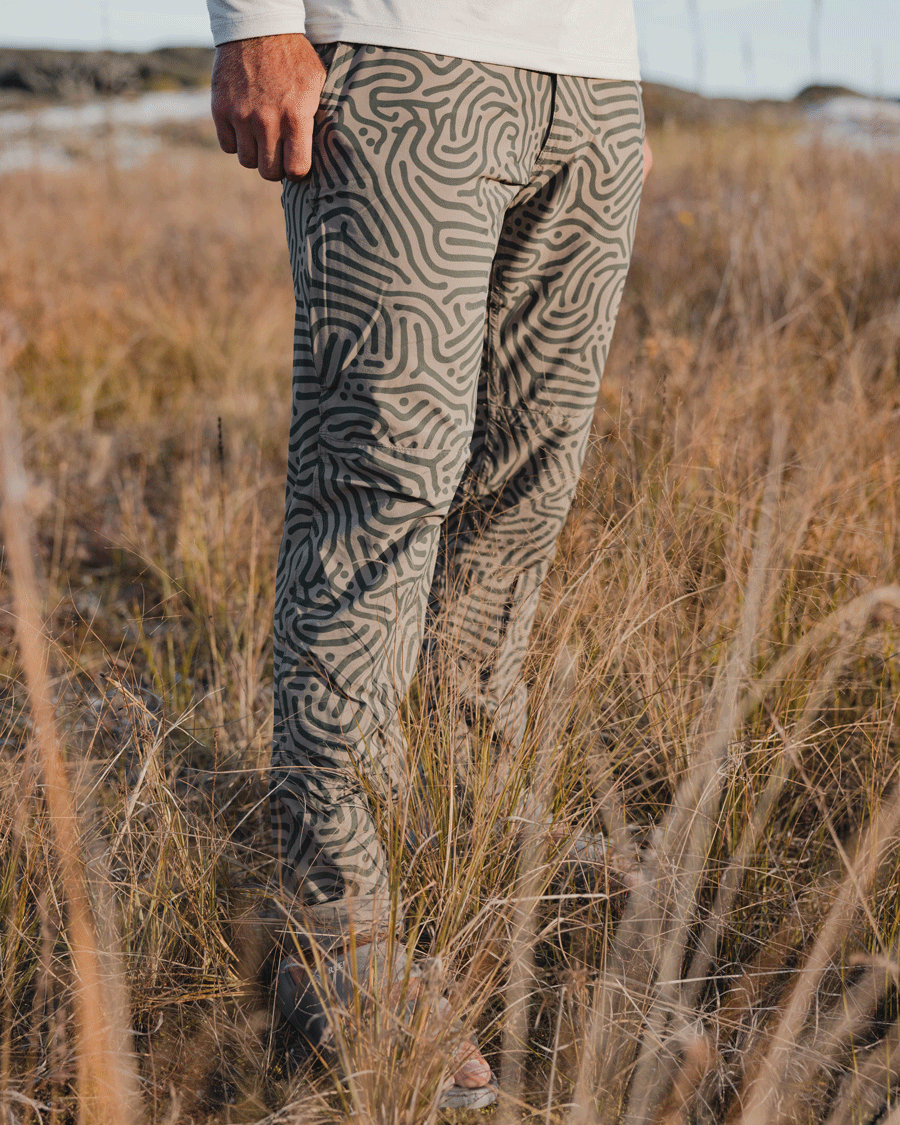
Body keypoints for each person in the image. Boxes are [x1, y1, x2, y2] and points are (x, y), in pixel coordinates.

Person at [207, 0, 646, 1107]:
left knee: (522, 497)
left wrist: (607, 79)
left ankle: (464, 832)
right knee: (379, 492)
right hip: (401, 57)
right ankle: (334, 926)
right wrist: (254, 19)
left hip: (594, 84)